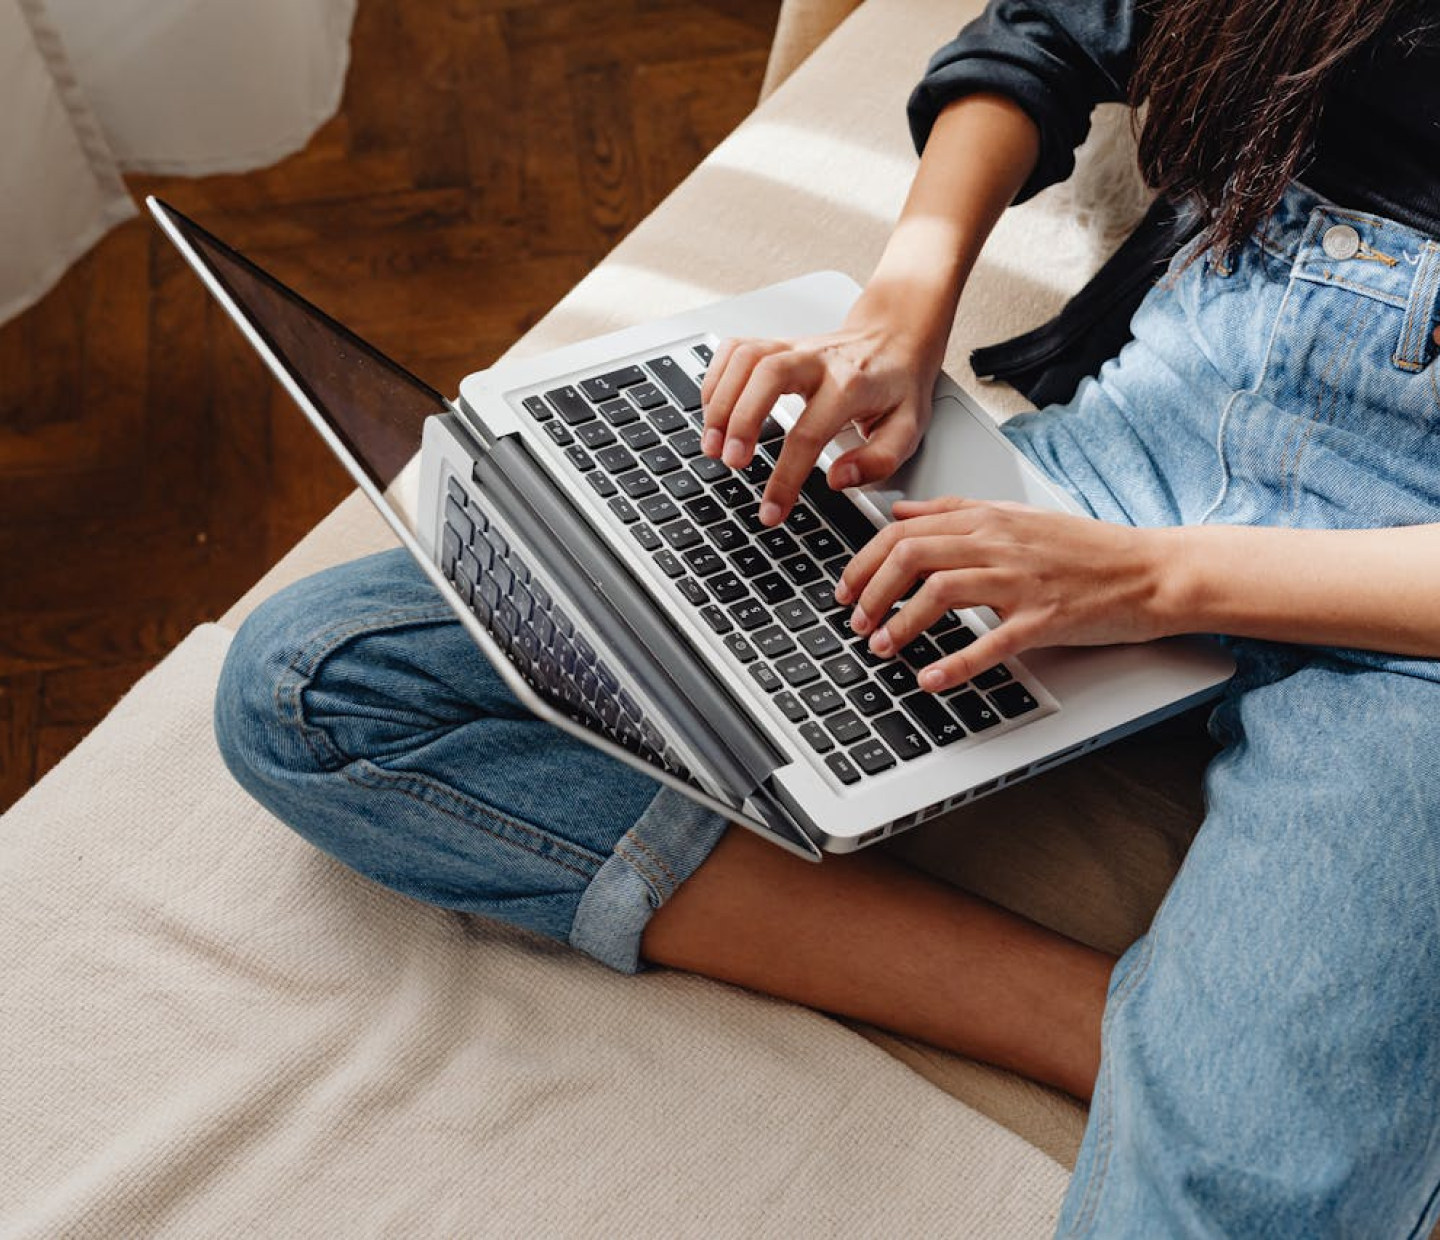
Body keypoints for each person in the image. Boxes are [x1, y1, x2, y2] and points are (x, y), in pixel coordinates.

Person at [215, 0, 1440, 1232]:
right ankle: (1122, 1039)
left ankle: (1226, 1101)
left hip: (1410, 620)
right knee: (321, 684)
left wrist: (1150, 583)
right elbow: (1054, 30)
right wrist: (898, 311)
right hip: (1160, 425)